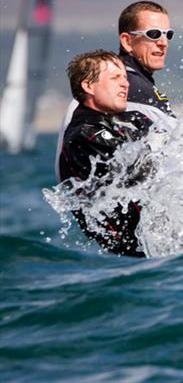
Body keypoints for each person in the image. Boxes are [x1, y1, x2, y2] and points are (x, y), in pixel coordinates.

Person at [55, 1, 176, 179]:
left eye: (168, 35)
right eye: (153, 34)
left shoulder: (118, 96)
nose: (163, 42)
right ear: (127, 41)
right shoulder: (87, 129)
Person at [59, 50, 152, 257]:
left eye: (126, 78)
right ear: (88, 86)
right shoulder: (83, 134)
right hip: (130, 253)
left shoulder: (133, 118)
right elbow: (141, 169)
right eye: (115, 78)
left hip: (158, 235)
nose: (125, 84)